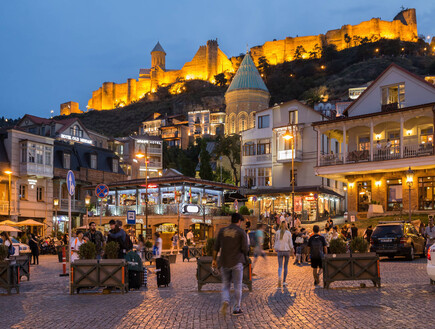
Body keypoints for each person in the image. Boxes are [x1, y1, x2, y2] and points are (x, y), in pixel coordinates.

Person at [213, 213, 248, 316]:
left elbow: (216, 247)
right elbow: (245, 248)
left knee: (225, 285)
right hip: (237, 261)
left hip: (224, 261)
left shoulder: (222, 231)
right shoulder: (241, 232)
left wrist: (214, 259)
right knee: (237, 285)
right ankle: (237, 308)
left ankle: (225, 300)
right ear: (239, 221)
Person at [274, 221, 294, 288]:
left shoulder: (277, 232)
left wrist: (275, 248)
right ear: (286, 225)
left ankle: (279, 277)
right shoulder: (288, 233)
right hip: (286, 250)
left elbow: (276, 241)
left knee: (280, 266)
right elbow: (290, 243)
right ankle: (284, 281)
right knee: (285, 266)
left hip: (280, 250)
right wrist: (292, 250)